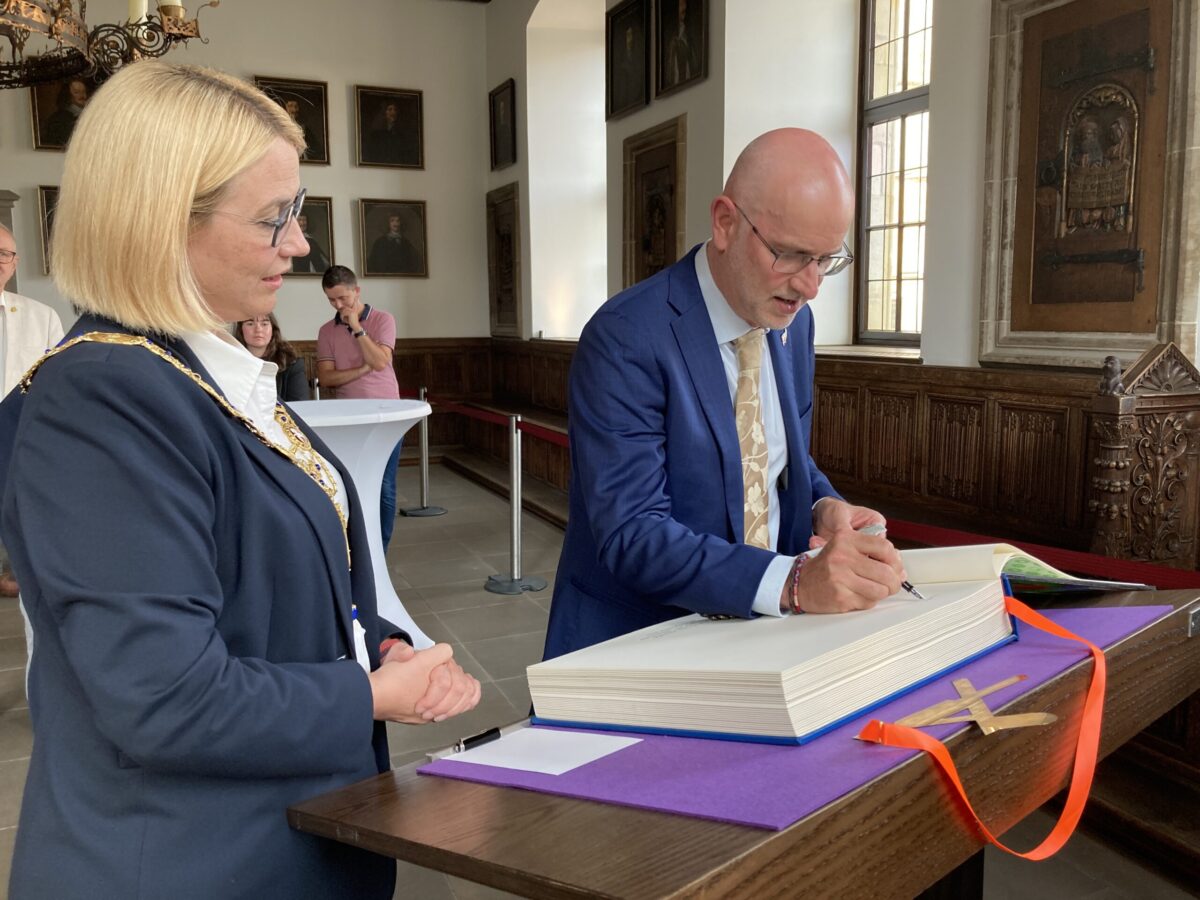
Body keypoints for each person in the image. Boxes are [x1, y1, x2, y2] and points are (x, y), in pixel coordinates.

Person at [0, 61, 479, 899]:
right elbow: (166, 697)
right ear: (159, 222)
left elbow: (263, 580)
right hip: (188, 859)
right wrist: (366, 695)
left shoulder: (202, 367)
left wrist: (373, 646)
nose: (299, 245)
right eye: (274, 218)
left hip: (279, 830)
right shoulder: (103, 397)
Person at [543, 128, 906, 661]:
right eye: (791, 254)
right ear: (725, 222)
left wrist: (822, 507)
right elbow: (634, 533)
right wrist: (796, 583)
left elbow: (777, 458)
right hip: (644, 642)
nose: (810, 286)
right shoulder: (627, 336)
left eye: (827, 259)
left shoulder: (791, 322)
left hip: (765, 637)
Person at [318, 265, 404, 550]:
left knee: (383, 485)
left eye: (343, 298)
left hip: (386, 411)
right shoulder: (326, 331)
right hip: (348, 414)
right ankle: (356, 550)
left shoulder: (382, 320)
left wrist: (356, 327)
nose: (338, 305)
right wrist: (362, 368)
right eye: (331, 300)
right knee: (349, 483)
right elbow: (328, 378)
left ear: (357, 290)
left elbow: (381, 362)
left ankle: (381, 550)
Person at [0, 225, 65, 599]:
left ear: (15, 262)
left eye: (4, 254)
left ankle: (16, 573)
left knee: (15, 504)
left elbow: (52, 379)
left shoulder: (42, 316)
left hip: (17, 428)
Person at [235, 311, 309, 401]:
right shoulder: (231, 361)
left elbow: (299, 405)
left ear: (273, 329)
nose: (258, 329)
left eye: (264, 324)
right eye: (250, 324)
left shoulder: (292, 364)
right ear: (240, 330)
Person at [364, 99, 419, 165]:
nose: (393, 112)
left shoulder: (401, 129)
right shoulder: (377, 129)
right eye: (390, 109)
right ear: (384, 112)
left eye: (395, 110)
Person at [41, 76, 90, 147]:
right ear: (68, 94)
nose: (82, 96)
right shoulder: (59, 118)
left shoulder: (89, 114)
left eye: (83, 92)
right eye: (76, 92)